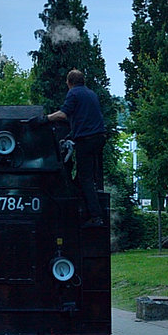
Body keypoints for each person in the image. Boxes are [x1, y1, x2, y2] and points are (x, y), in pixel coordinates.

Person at [44, 69, 107, 227]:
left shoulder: (73, 93)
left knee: (85, 178)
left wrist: (45, 119)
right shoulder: (91, 94)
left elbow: (64, 114)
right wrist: (71, 136)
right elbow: (86, 119)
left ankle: (96, 217)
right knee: (85, 178)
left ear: (69, 82)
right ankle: (82, 211)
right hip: (99, 137)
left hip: (87, 140)